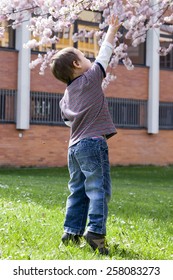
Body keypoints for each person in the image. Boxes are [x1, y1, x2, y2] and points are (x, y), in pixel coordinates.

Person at [50, 16, 120, 255]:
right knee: (99, 188)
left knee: (78, 189)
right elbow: (105, 54)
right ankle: (96, 233)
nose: (89, 60)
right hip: (92, 143)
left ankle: (71, 231)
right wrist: (112, 28)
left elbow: (68, 121)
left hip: (74, 147)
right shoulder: (90, 79)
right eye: (84, 58)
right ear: (77, 66)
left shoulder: (65, 96)